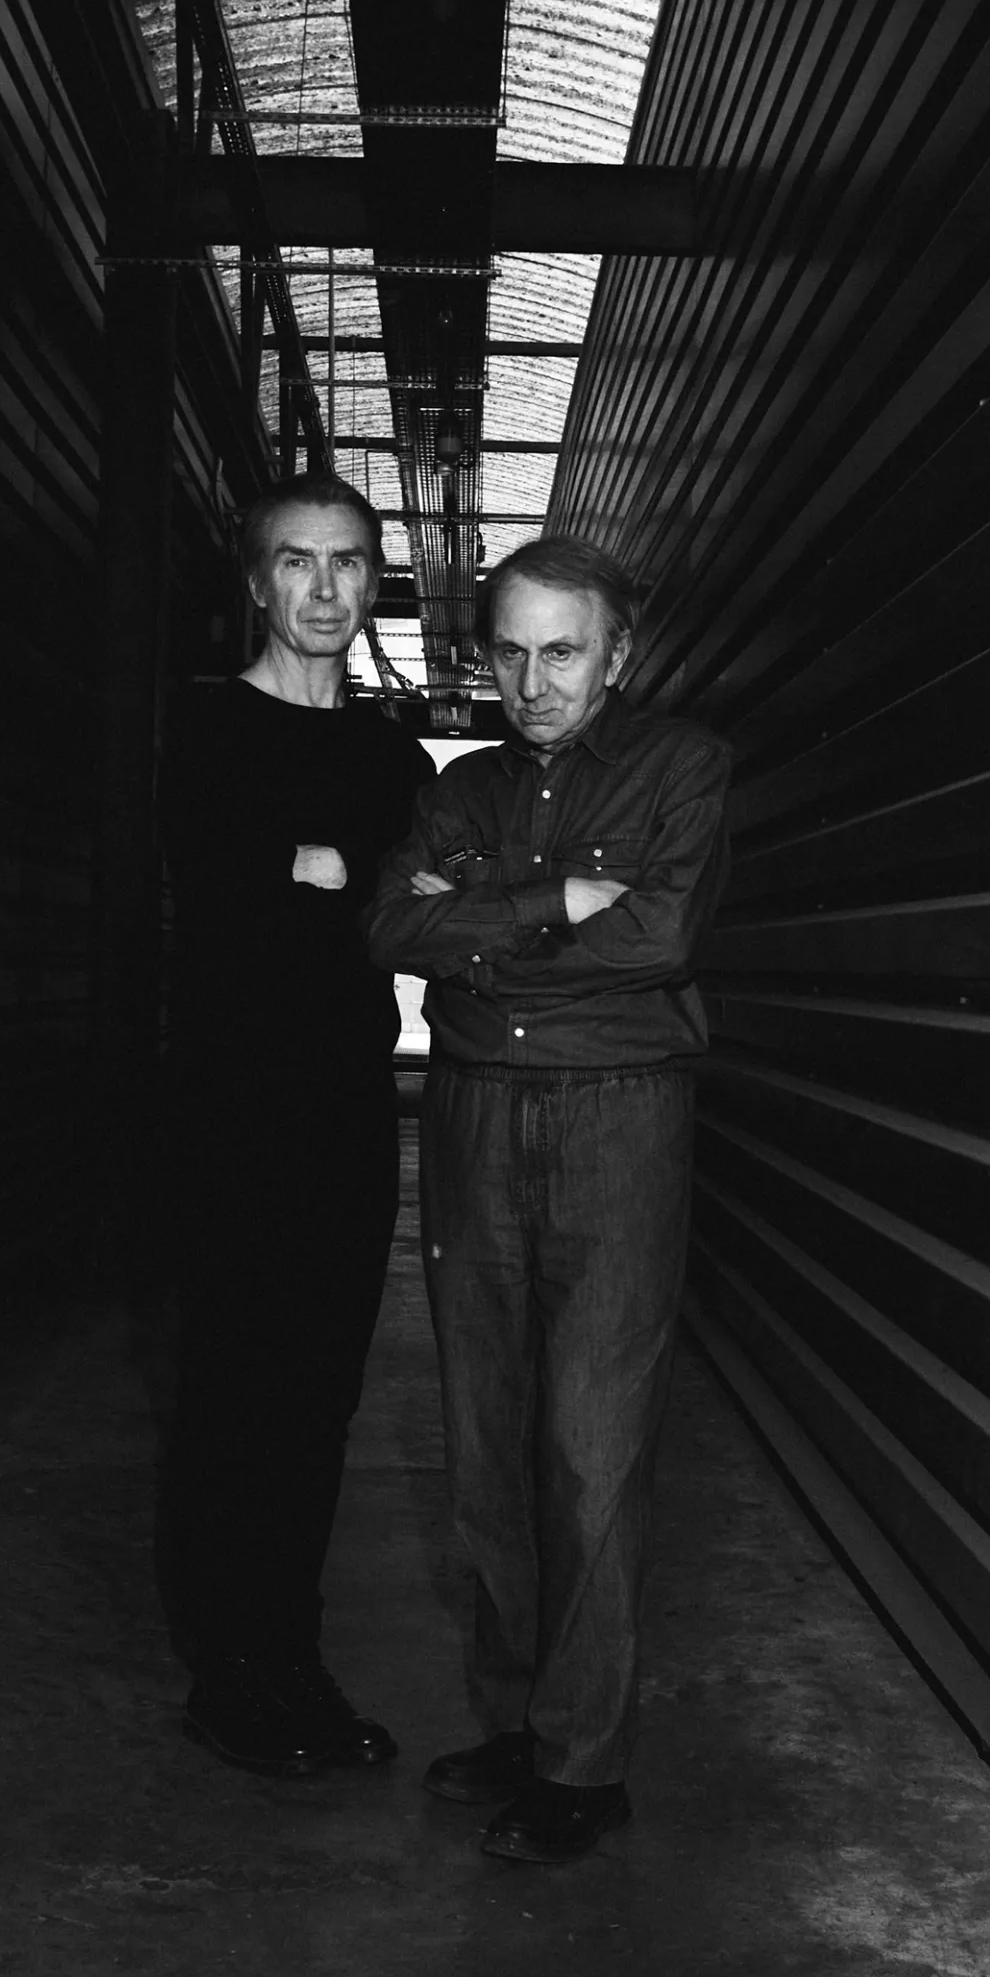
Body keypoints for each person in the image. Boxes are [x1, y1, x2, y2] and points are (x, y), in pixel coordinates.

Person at [365, 536, 732, 1863]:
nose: (533, 680)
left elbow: (663, 939)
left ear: (617, 655)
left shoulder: (683, 767)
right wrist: (552, 906)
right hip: (470, 1122)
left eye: (563, 651)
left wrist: (482, 928)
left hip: (617, 1124)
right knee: (487, 1445)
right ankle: (529, 1716)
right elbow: (389, 933)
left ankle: (583, 1765)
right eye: (510, 651)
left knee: (590, 1449)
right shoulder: (462, 790)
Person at [158, 471, 433, 1776]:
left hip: (343, 1108)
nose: (324, 589)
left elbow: (396, 901)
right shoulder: (203, 726)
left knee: (319, 1396)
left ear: (373, 580)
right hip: (226, 1106)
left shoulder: (390, 752)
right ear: (256, 582)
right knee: (230, 1387)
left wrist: (316, 875)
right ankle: (227, 1669)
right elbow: (210, 893)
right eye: (297, 563)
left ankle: (292, 1656)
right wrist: (323, 879)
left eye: (348, 563)